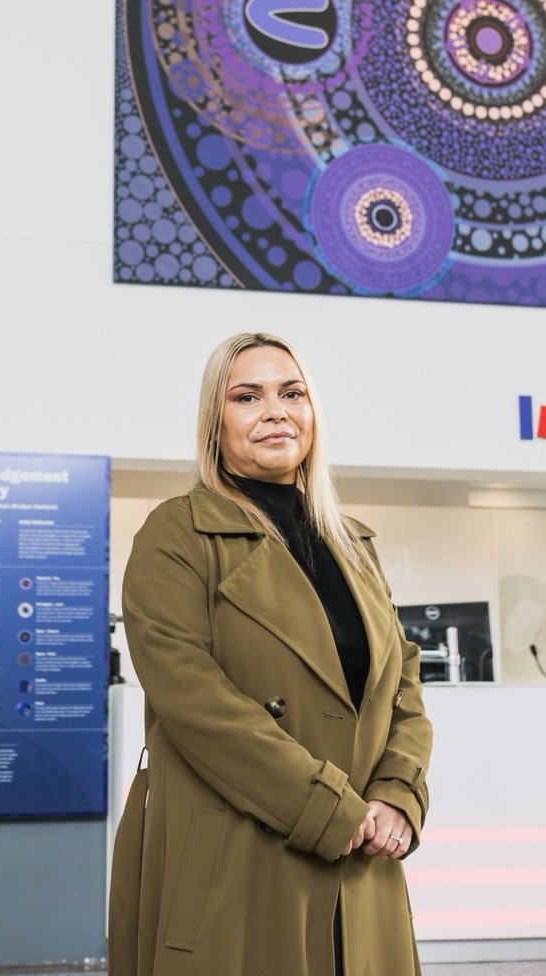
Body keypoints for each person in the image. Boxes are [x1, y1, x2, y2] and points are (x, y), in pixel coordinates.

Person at [109, 331, 432, 976]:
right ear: (215, 423)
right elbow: (192, 697)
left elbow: (404, 686)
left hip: (360, 859)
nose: (276, 410)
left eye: (293, 393)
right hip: (242, 850)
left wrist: (398, 792)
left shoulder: (353, 544)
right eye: (247, 396)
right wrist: (324, 806)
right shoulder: (176, 534)